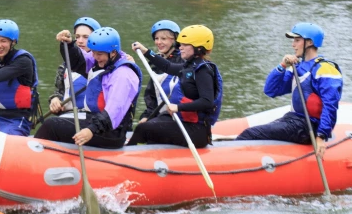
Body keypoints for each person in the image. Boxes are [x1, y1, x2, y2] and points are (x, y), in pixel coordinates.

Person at [236, 23, 342, 159]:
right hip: (292, 120)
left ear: (309, 42)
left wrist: (321, 136)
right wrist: (282, 66)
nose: (293, 45)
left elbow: (330, 105)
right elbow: (270, 90)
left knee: (250, 134)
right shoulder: (297, 67)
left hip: (308, 126)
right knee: (253, 134)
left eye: (297, 40)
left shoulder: (325, 70)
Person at [35, 27, 142, 149]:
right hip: (94, 121)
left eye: (99, 54)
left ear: (113, 52)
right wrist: (69, 45)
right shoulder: (102, 60)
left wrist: (91, 130)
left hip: (111, 131)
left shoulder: (124, 75)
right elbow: (78, 61)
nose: (95, 57)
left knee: (51, 125)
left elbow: (113, 112)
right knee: (54, 124)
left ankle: (33, 155)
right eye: (93, 53)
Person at [128, 25, 223, 148]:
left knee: (144, 128)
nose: (180, 48)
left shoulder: (203, 70)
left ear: (198, 48)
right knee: (150, 124)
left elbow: (207, 102)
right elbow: (167, 67)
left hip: (196, 130)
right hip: (183, 122)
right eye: (180, 44)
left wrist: (178, 107)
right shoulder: (189, 66)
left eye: (185, 45)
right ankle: (141, 152)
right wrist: (146, 51)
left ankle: (130, 153)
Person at [48, 17, 101, 116]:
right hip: (69, 115)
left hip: (92, 117)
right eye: (77, 37)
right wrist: (55, 100)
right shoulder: (64, 67)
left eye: (86, 37)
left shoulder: (102, 65)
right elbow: (59, 92)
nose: (80, 41)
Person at [137, 20, 183, 124]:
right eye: (156, 38)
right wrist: (146, 116)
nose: (158, 42)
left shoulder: (182, 60)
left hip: (178, 115)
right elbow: (151, 95)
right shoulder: (155, 64)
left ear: (175, 40)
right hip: (160, 115)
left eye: (163, 38)